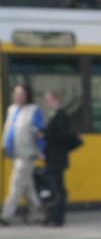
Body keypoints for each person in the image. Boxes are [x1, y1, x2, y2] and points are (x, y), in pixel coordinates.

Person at [1, 84, 45, 226]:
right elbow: (8, 129)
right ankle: (37, 212)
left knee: (16, 183)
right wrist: (4, 146)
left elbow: (39, 133)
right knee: (27, 186)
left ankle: (6, 214)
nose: (18, 96)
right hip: (15, 154)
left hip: (28, 154)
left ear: (27, 95)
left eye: (21, 93)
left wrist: (42, 151)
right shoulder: (12, 109)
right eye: (16, 93)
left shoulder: (34, 111)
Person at [42, 91, 74, 227]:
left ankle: (58, 217)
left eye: (49, 100)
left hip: (57, 158)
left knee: (57, 189)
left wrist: (45, 134)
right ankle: (54, 216)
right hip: (53, 157)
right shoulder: (54, 115)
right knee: (54, 187)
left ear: (57, 100)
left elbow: (62, 136)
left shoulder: (61, 115)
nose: (47, 103)